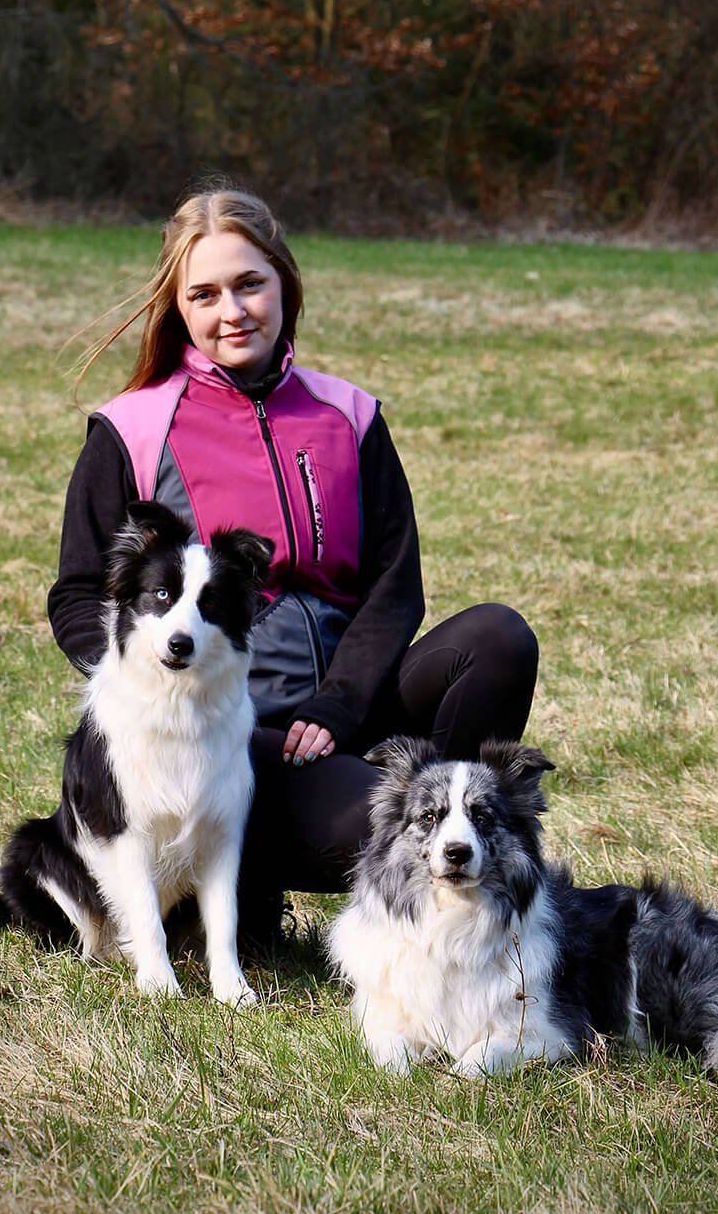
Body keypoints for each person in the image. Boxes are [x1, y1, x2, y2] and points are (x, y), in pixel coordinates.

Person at [48, 186, 539, 941]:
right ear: (179, 307)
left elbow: (393, 583)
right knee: (367, 824)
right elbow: (79, 595)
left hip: (349, 707)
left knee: (499, 639)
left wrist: (339, 703)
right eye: (204, 294)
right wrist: (148, 688)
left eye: (249, 283)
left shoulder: (350, 414)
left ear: (285, 281)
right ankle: (257, 879)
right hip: (227, 734)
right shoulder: (133, 429)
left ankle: (466, 865)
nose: (232, 311)